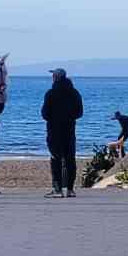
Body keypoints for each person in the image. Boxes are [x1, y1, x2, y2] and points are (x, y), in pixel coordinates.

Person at [41, 68, 84, 198]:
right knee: (70, 159)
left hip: (54, 130)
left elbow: (44, 114)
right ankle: (70, 189)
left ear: (55, 78)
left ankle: (57, 189)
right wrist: (69, 117)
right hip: (69, 129)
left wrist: (54, 118)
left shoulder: (51, 93)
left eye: (53, 76)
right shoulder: (74, 93)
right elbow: (80, 112)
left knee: (56, 159)